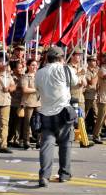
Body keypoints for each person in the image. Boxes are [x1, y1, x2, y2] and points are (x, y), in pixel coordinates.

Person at [34, 46, 80, 187]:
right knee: (65, 144)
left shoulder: (39, 73)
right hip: (63, 111)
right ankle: (64, 174)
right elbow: (75, 83)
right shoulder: (66, 69)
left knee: (46, 145)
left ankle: (44, 175)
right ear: (61, 58)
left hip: (45, 113)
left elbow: (37, 89)